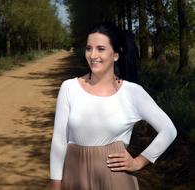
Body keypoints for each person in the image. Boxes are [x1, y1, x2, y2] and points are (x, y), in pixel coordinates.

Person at [49, 23, 177, 190]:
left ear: (115, 55)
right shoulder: (69, 88)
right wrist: (56, 183)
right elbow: (59, 140)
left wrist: (139, 161)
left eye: (101, 49)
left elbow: (169, 129)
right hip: (74, 177)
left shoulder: (133, 93)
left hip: (115, 179)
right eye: (89, 48)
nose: (93, 55)